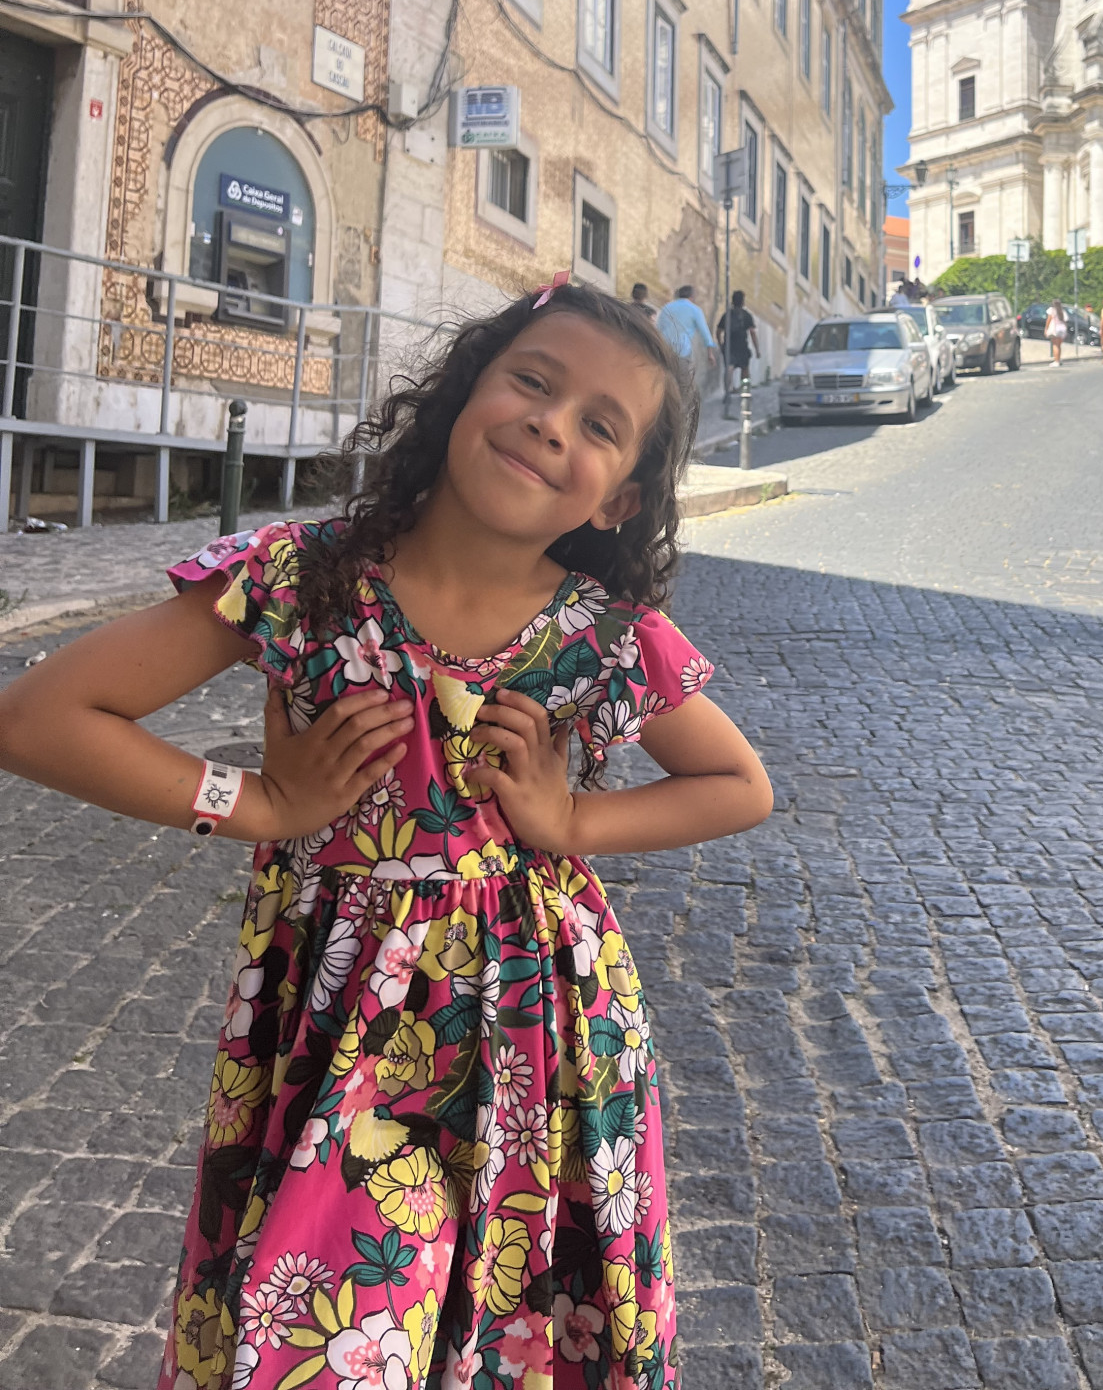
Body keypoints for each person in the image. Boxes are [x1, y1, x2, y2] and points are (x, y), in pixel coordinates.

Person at [0, 279, 774, 1390]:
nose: (552, 423)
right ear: (463, 393)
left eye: (600, 425)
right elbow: (37, 718)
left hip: (544, 1044)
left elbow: (738, 784)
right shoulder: (301, 580)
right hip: (337, 1038)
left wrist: (570, 818)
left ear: (620, 500)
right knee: (321, 1341)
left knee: (523, 1339)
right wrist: (259, 803)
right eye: (533, 381)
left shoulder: (605, 636)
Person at [656, 281, 719, 386]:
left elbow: (658, 328)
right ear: (692, 296)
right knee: (683, 381)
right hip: (682, 350)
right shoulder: (695, 310)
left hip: (664, 349)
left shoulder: (666, 308)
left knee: (667, 380)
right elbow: (705, 333)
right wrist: (710, 353)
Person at [715, 288, 759, 400]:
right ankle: (745, 392)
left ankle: (727, 392)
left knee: (729, 369)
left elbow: (718, 331)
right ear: (743, 301)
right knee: (745, 369)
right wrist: (757, 349)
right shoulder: (746, 315)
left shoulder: (727, 315)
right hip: (742, 345)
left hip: (729, 346)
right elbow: (752, 333)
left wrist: (721, 344)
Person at [1045, 297, 1068, 366]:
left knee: (1055, 345)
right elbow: (1065, 320)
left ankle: (1056, 361)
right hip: (1062, 328)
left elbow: (1049, 320)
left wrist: (1046, 328)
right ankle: (1059, 359)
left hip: (1055, 329)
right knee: (1059, 345)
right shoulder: (1062, 311)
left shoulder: (1051, 310)